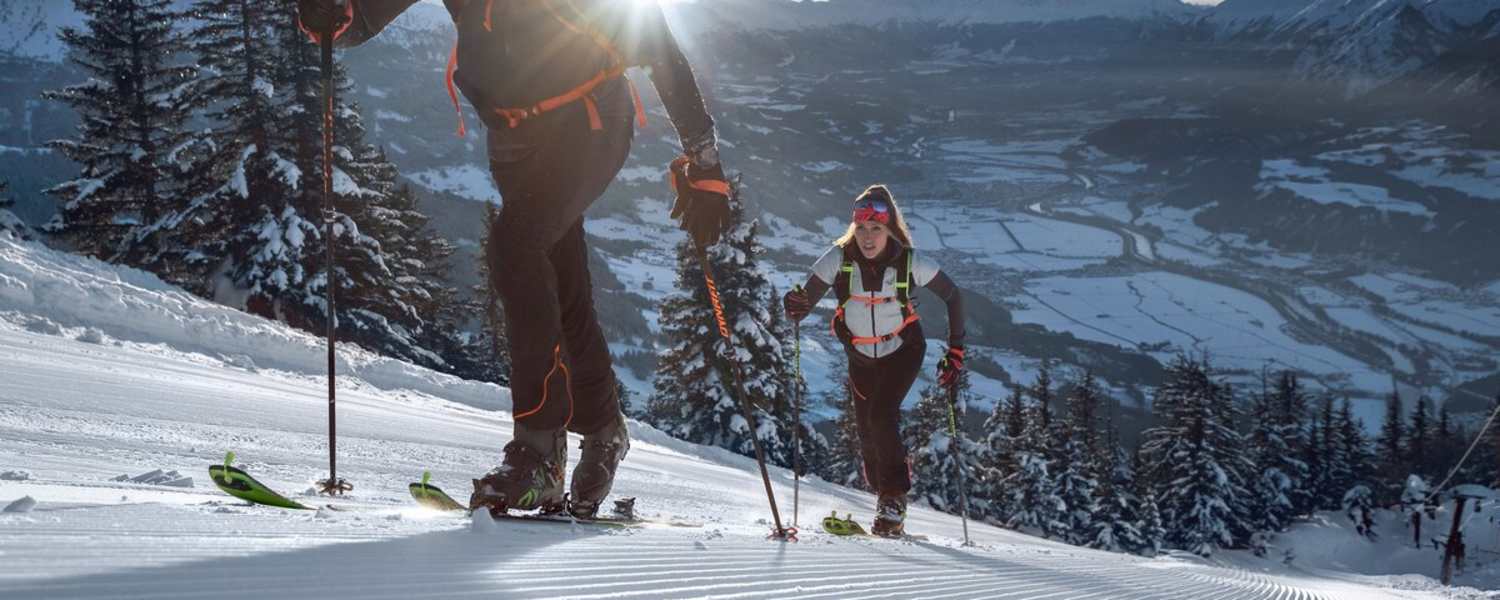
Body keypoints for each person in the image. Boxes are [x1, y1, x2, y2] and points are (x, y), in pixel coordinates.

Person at [296, 0, 733, 518]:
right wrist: (330, 14)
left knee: (516, 246)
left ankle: (539, 452)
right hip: (514, 142)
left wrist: (704, 160)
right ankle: (602, 426)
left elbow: (655, 38)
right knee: (558, 276)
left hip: (589, 122)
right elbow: (359, 20)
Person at [783, 185, 966, 537]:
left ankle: (894, 499)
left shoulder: (909, 261)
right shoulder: (838, 258)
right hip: (861, 356)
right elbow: (806, 299)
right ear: (854, 227)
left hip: (903, 350)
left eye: (876, 229)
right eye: (862, 228)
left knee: (883, 415)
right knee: (867, 432)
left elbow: (954, 296)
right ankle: (884, 493)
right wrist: (795, 303)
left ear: (889, 229)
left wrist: (955, 352)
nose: (868, 237)